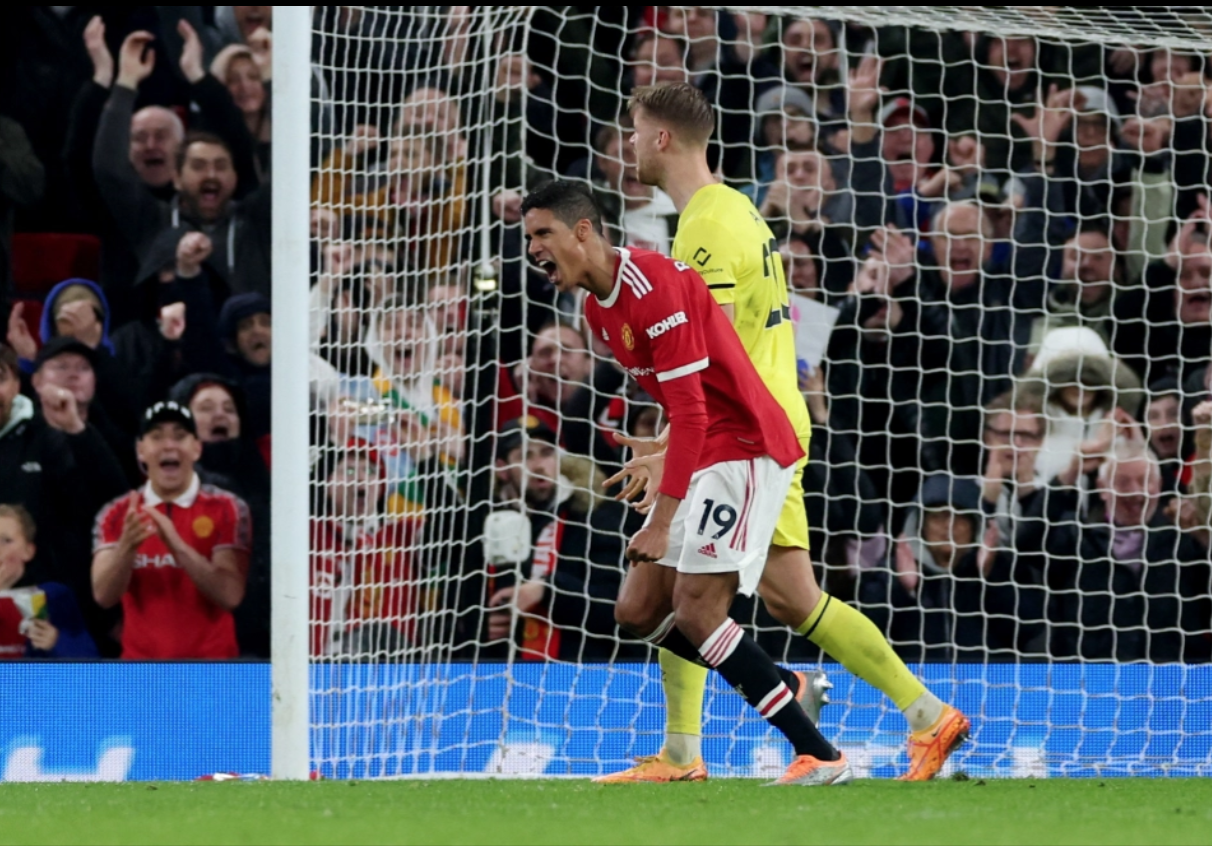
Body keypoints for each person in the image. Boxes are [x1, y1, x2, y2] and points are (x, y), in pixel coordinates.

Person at [601, 81, 967, 783]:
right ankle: (927, 715)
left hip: (742, 435)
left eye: (633, 130)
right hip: (772, 421)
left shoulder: (707, 226)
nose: (627, 145)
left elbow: (707, 355)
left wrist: (676, 445)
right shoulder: (734, 209)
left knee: (683, 591)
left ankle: (698, 750)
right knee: (793, 598)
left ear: (661, 139)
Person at [521, 180, 852, 787]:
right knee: (638, 610)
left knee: (699, 610)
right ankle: (782, 685)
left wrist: (666, 518)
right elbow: (686, 402)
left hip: (747, 445)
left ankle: (822, 757)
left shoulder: (654, 287)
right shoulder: (598, 312)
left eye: (544, 233)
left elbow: (700, 412)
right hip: (705, 450)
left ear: (584, 231)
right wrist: (661, 451)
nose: (534, 249)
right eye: (528, 238)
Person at [92, 401, 251, 660]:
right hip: (140, 671)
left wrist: (177, 546)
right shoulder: (116, 513)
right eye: (156, 437)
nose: (169, 445)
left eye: (180, 436)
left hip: (213, 671)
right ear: (141, 450)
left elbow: (230, 595)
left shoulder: (228, 508)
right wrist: (126, 548)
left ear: (197, 448)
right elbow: (103, 596)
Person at [0, 504, 98, 660]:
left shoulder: (52, 597)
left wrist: (56, 642)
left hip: (34, 681)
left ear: (28, 551)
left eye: (6, 540)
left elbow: (89, 660)